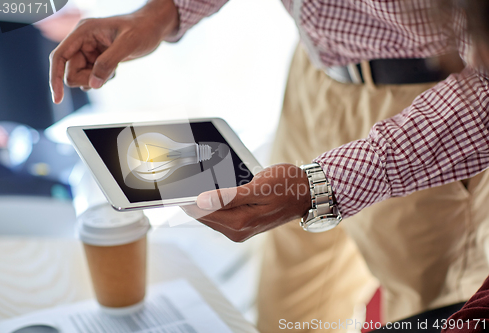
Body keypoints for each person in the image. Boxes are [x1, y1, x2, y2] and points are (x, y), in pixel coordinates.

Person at [49, 0, 489, 331]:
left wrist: (324, 184)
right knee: (287, 310)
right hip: (314, 76)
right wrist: (163, 12)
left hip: (434, 114)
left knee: (423, 310)